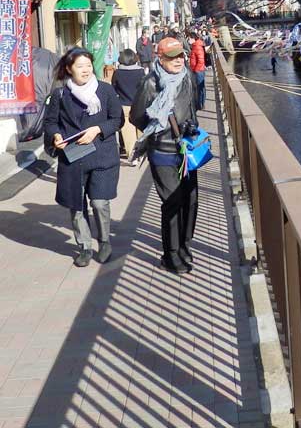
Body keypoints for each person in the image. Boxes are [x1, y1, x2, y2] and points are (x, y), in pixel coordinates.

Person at [43, 47, 124, 267]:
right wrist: (56, 135)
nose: (86, 70)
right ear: (69, 69)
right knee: (77, 206)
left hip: (101, 155)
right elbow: (50, 123)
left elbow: (117, 120)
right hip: (73, 157)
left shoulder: (105, 91)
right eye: (80, 66)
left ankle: (105, 241)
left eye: (88, 65)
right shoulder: (60, 94)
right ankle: (84, 246)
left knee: (99, 202)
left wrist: (97, 129)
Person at [130, 37, 198, 274]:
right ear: (160, 58)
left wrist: (190, 126)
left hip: (187, 149)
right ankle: (170, 255)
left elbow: (192, 107)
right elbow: (135, 117)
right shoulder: (150, 83)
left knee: (190, 200)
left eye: (181, 56)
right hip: (162, 150)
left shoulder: (187, 77)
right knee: (172, 202)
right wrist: (158, 127)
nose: (178, 61)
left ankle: (184, 246)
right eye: (172, 57)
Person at [111, 49, 145, 165]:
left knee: (128, 133)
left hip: (124, 105)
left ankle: (133, 156)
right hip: (139, 105)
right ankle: (142, 151)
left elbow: (114, 88)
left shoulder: (117, 73)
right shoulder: (140, 72)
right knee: (141, 129)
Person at [188, 31, 206, 110]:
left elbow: (201, 60)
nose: (188, 40)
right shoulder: (195, 46)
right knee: (200, 88)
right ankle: (200, 103)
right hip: (198, 70)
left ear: (193, 38)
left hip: (198, 71)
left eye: (189, 38)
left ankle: (200, 104)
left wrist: (195, 70)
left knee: (200, 88)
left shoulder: (197, 47)